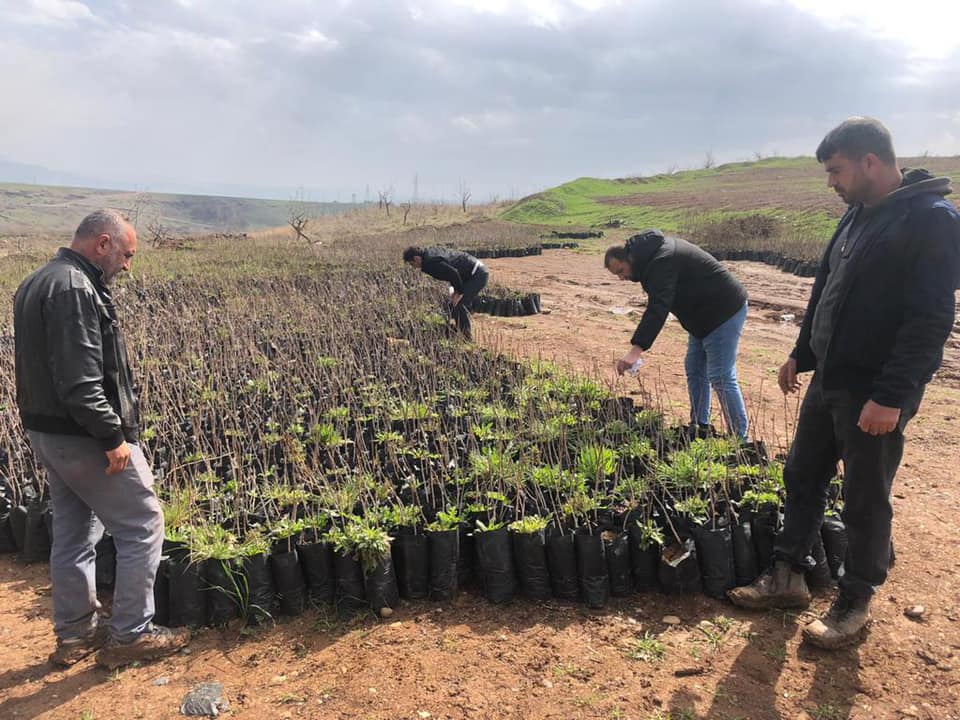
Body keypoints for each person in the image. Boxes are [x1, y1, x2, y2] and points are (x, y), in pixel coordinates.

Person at [729, 118, 960, 649]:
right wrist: (802, 352)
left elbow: (929, 321)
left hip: (875, 391)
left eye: (836, 171)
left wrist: (891, 397)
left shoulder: (931, 220)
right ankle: (786, 578)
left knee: (863, 496)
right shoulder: (857, 213)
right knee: (802, 475)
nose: (831, 182)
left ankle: (855, 601)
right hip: (830, 379)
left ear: (869, 162)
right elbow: (827, 287)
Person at [14, 209, 190, 669]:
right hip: (83, 436)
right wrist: (112, 437)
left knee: (75, 534)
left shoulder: (37, 280)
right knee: (143, 524)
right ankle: (131, 634)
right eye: (127, 254)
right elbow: (80, 380)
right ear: (103, 244)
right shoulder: (74, 288)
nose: (128, 265)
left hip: (49, 433)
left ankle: (74, 635)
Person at [605, 229, 750, 440]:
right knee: (694, 369)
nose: (622, 278)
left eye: (621, 270)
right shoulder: (652, 259)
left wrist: (636, 350)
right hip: (702, 317)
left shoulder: (661, 260)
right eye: (616, 274)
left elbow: (658, 307)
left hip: (723, 311)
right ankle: (700, 426)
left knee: (720, 374)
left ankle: (740, 439)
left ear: (629, 258)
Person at [403, 245, 489, 340]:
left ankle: (466, 339)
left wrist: (458, 292)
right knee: (453, 304)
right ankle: (458, 331)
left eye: (412, 264)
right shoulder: (429, 256)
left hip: (477, 274)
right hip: (468, 274)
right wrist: (453, 291)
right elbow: (450, 273)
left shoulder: (431, 263)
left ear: (416, 258)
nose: (414, 267)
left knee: (459, 305)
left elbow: (454, 273)